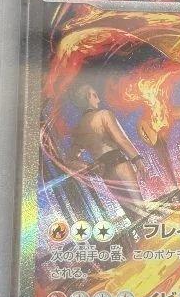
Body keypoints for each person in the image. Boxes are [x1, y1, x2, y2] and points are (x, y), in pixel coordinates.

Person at [64, 82, 151, 222]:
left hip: (106, 173)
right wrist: (137, 159)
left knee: (131, 214)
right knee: (140, 209)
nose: (98, 99)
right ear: (88, 97)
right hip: (120, 164)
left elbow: (69, 160)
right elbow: (121, 140)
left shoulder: (78, 129)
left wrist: (89, 166)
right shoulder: (104, 115)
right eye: (95, 95)